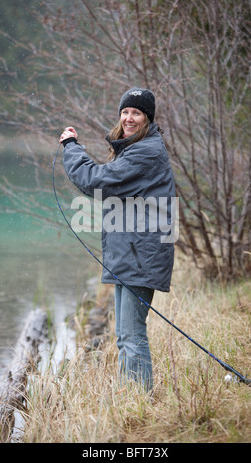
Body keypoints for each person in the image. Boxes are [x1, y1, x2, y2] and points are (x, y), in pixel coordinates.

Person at [60, 87, 176, 392]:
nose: (128, 118)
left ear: (147, 118)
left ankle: (141, 399)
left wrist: (72, 147)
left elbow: (95, 181)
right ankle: (133, 397)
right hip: (134, 253)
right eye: (125, 112)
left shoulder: (146, 152)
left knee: (131, 333)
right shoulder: (136, 149)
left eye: (136, 112)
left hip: (142, 255)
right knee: (125, 335)